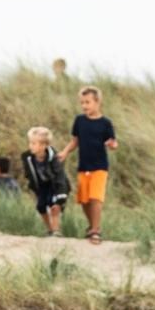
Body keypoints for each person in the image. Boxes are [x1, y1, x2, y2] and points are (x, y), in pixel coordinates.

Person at [57, 86, 118, 244]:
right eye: (82, 103)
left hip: (100, 167)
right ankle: (92, 226)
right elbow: (75, 141)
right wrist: (64, 152)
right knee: (84, 201)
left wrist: (112, 145)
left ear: (98, 102)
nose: (84, 106)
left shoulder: (106, 123)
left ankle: (96, 231)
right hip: (83, 166)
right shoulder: (79, 120)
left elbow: (113, 141)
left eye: (88, 102)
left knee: (95, 198)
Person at [22, 126, 71, 237]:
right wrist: (32, 185)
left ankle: (56, 231)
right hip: (42, 186)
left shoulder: (54, 159)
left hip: (56, 186)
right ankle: (50, 230)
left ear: (44, 146)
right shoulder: (27, 157)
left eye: (34, 143)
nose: (31, 146)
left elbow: (60, 177)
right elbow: (29, 173)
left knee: (54, 206)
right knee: (41, 206)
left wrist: (61, 196)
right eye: (30, 143)